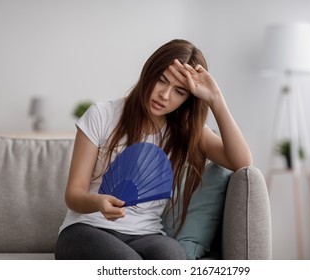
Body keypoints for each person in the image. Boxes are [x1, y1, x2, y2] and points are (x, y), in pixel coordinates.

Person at [55, 39, 252, 260]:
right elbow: (74, 195)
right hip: (86, 229)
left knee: (174, 258)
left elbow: (242, 163)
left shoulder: (185, 130)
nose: (165, 95)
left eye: (179, 91)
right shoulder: (101, 115)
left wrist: (216, 99)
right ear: (149, 72)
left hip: (146, 235)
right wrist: (98, 202)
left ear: (188, 99)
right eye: (161, 80)